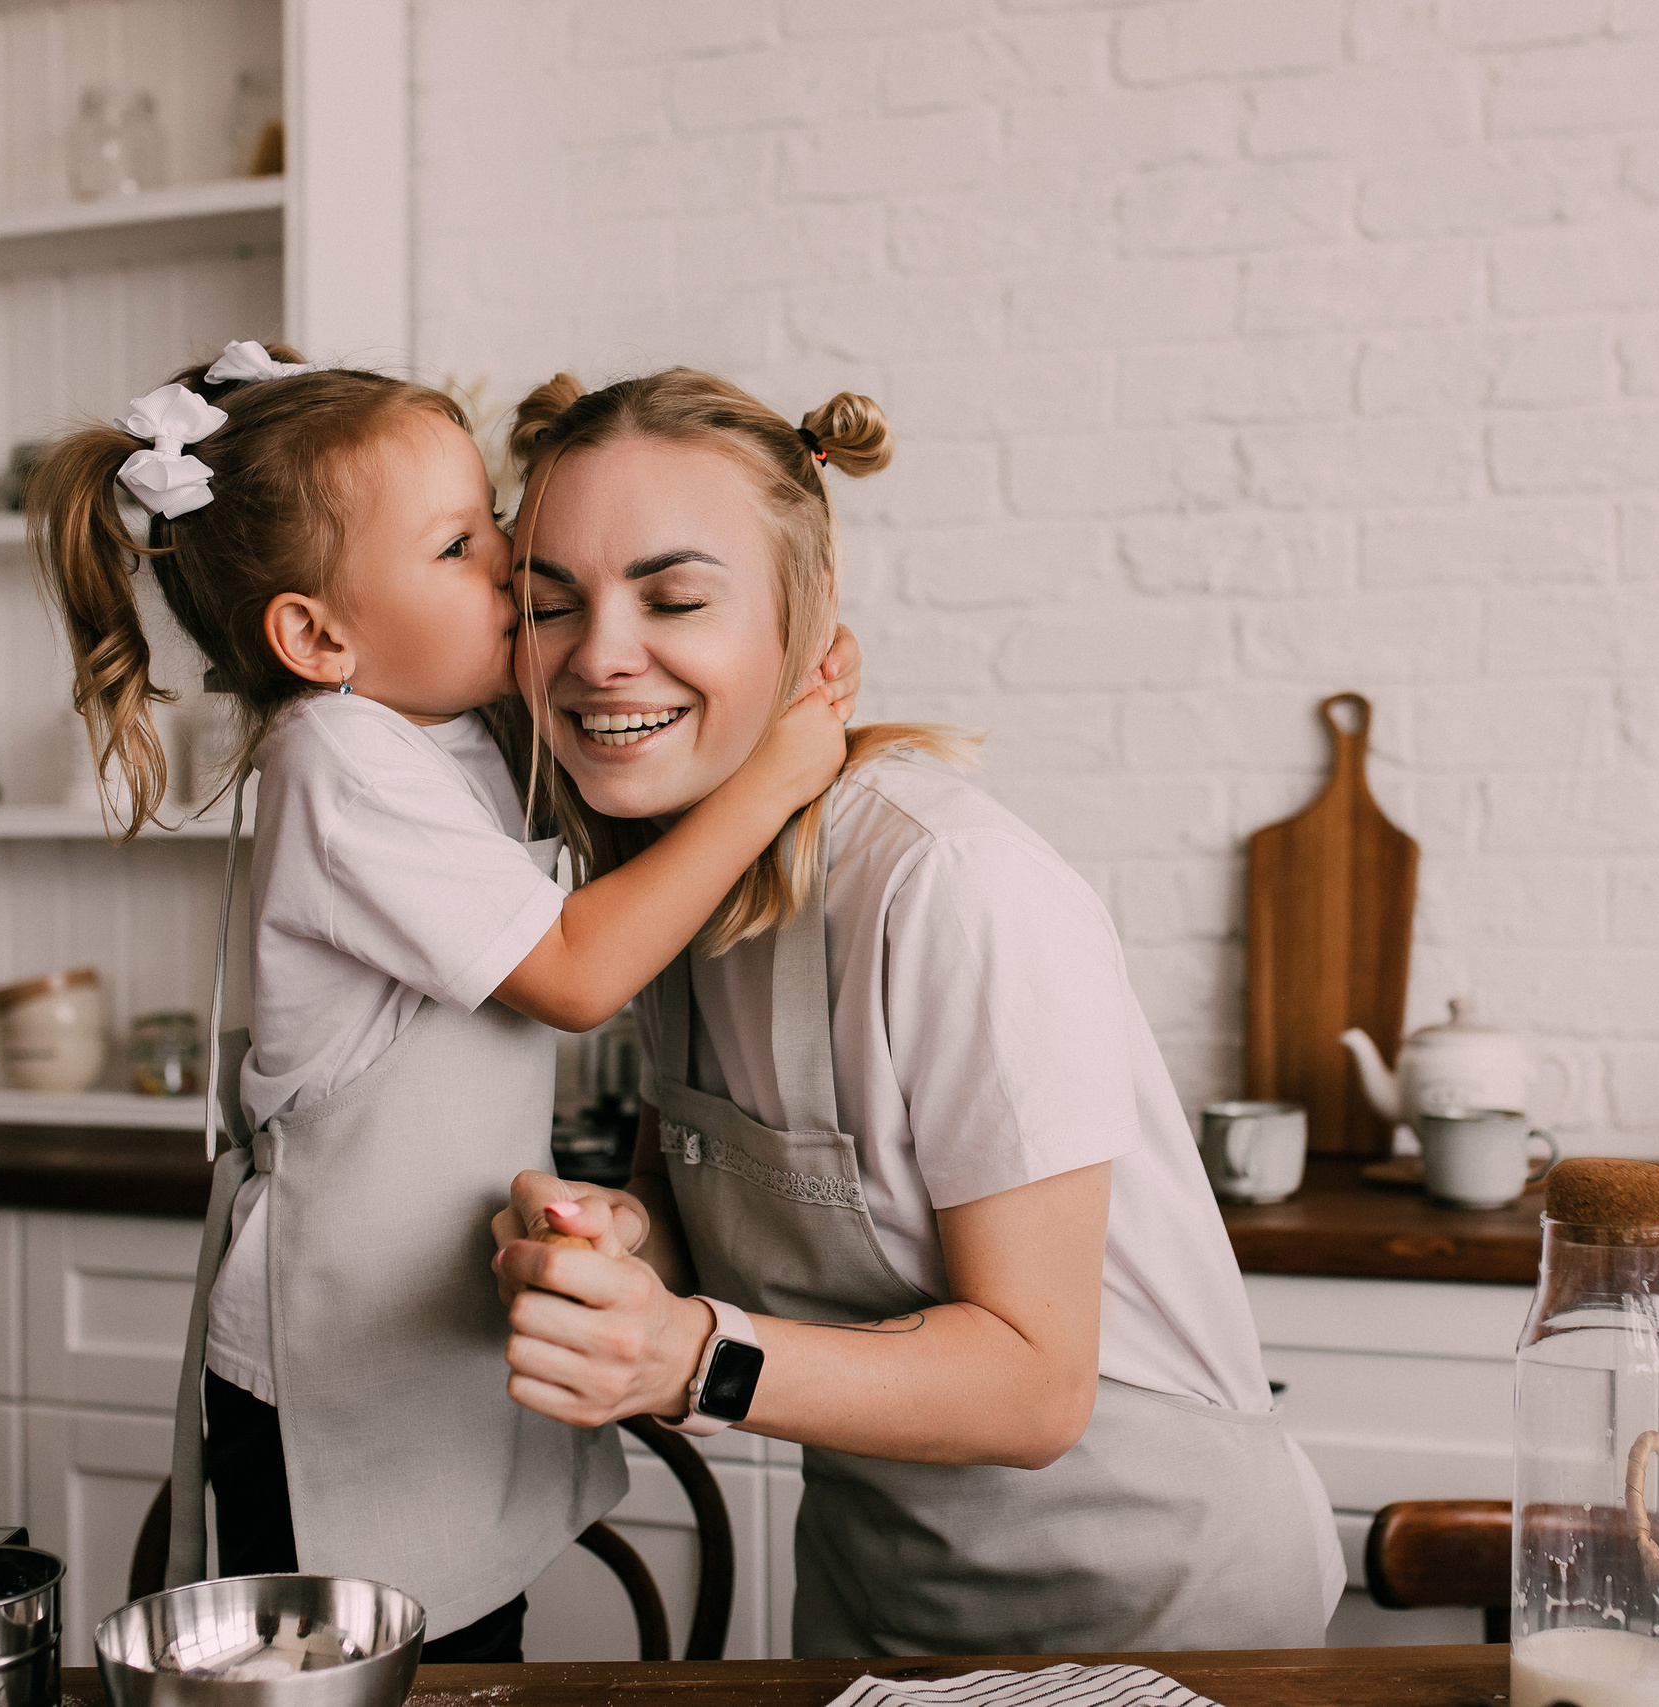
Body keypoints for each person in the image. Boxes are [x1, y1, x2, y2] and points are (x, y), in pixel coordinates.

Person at [486, 368, 1343, 1657]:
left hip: (1159, 1607)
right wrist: (623, 1255)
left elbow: (1035, 1383)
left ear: (807, 620)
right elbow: (701, 1226)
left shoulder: (950, 885)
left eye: (675, 599)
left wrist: (687, 1358)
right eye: (550, 604)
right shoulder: (664, 886)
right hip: (877, 1601)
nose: (599, 653)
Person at [27, 343, 860, 1659]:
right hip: (335, 1368)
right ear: (317, 638)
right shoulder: (341, 756)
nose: (512, 566)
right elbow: (577, 972)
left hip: (430, 1343)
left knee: (470, 1649)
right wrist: (783, 768)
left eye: (497, 523)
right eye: (462, 545)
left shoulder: (438, 728)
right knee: (366, 1674)